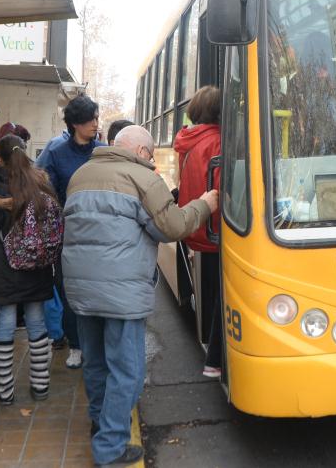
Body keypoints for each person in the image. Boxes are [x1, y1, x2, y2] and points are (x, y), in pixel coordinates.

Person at [63, 125, 218, 467]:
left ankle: (99, 424)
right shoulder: (143, 178)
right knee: (127, 369)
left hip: (81, 288)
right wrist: (204, 205)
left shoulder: (81, 174)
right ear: (144, 153)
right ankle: (111, 448)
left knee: (97, 362)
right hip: (121, 291)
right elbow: (172, 227)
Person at [0, 134, 59, 405]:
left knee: (5, 325)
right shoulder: (42, 184)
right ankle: (41, 387)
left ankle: (5, 391)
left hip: (4, 268)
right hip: (38, 266)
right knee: (36, 322)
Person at [37, 94, 104, 369]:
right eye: (91, 119)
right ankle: (75, 345)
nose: (96, 124)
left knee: (98, 289)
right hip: (67, 234)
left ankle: (96, 345)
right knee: (70, 290)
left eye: (97, 118)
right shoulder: (55, 153)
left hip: (100, 233)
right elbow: (42, 190)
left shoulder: (103, 150)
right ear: (76, 123)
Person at [172, 86, 224, 378]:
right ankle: (215, 361)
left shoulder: (187, 139)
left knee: (215, 291)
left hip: (197, 225)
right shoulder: (217, 141)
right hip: (217, 231)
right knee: (225, 297)